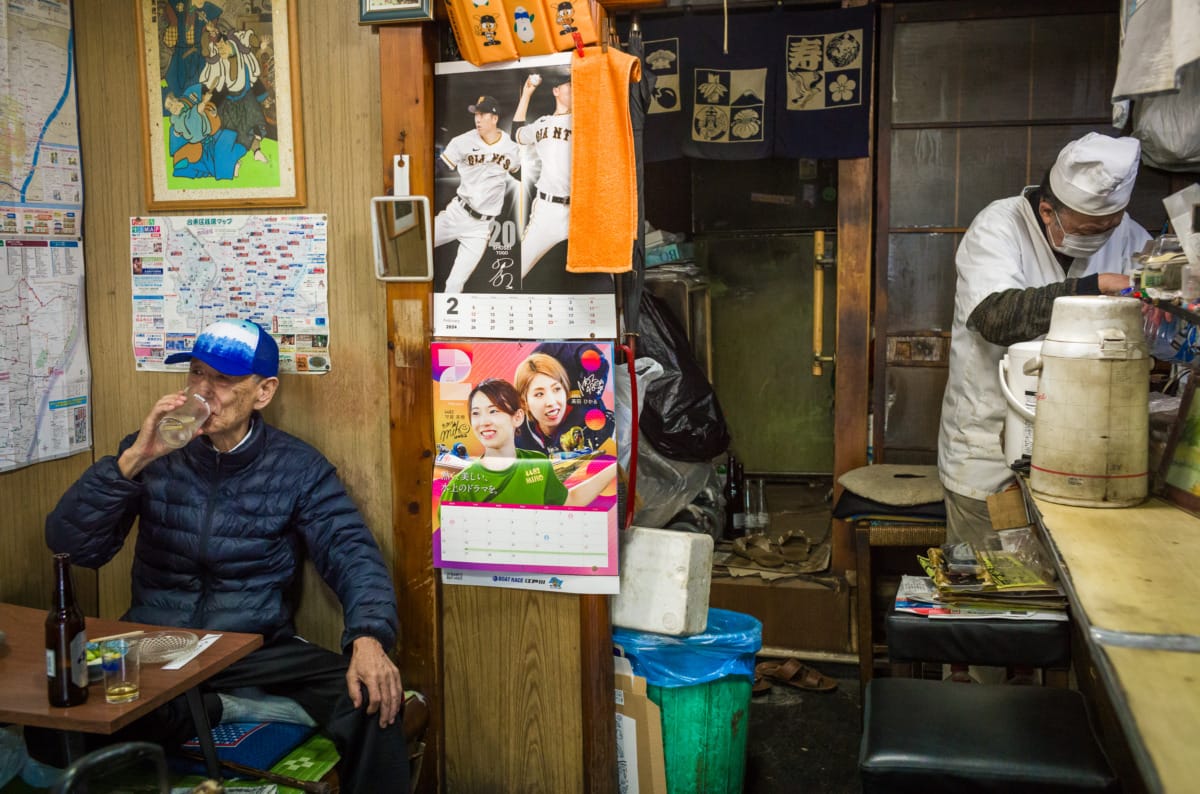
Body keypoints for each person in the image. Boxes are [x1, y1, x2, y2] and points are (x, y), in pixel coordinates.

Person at [40, 319, 407, 793]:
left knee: (373, 703)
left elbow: (351, 552)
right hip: (154, 643)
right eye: (196, 374)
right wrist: (133, 460)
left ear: (263, 392)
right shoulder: (152, 451)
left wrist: (369, 638)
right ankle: (214, 707)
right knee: (60, 717)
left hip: (251, 647)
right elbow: (72, 546)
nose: (204, 391)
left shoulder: (297, 467)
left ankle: (214, 703)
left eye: (225, 380)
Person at [938, 132, 1151, 548]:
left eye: (1111, 225)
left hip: (1089, 452)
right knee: (994, 592)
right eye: (1092, 229)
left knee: (1069, 586)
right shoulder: (999, 226)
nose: (1105, 235)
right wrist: (1096, 286)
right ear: (1049, 210)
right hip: (990, 451)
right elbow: (994, 317)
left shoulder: (1126, 232)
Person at [439, 378, 615, 507]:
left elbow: (570, 501)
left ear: (517, 417)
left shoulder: (538, 463)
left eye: (493, 411)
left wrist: (615, 468)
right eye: (476, 413)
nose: (484, 421)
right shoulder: (462, 484)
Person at [434, 96, 522, 294]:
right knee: (416, 246)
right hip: (457, 214)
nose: (478, 119)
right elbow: (439, 168)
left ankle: (450, 323)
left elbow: (518, 172)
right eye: (476, 114)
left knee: (455, 284)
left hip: (481, 228)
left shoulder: (510, 148)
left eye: (483, 114)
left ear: (495, 118)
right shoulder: (462, 142)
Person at [512, 73, 573, 280]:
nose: (574, 89)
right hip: (548, 209)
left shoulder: (585, 120)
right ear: (556, 91)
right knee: (516, 269)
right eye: (569, 85)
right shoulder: (542, 123)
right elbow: (516, 133)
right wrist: (527, 92)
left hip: (580, 212)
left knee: (603, 274)